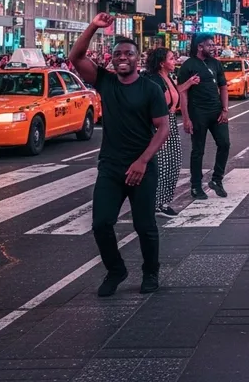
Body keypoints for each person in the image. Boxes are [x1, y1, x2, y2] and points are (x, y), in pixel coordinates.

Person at [69, 15, 169, 297]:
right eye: (117, 54)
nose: (122, 58)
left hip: (143, 167)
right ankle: (116, 270)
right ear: (111, 59)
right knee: (101, 224)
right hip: (111, 167)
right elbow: (75, 57)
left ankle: (151, 272)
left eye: (128, 54)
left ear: (138, 59)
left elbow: (162, 129)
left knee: (145, 226)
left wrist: (143, 161)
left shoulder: (150, 88)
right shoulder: (106, 81)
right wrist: (93, 26)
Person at [143, 48, 200, 217]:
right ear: (162, 63)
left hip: (170, 122)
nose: (175, 61)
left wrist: (189, 83)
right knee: (163, 164)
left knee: (172, 163)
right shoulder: (154, 80)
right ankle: (156, 203)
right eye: (171, 59)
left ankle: (161, 201)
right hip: (160, 124)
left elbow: (176, 92)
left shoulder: (166, 77)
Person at [177, 34, 230, 200]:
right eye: (210, 45)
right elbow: (182, 92)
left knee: (225, 144)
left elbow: (223, 87)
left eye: (213, 45)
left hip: (217, 112)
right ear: (200, 47)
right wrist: (186, 118)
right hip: (198, 113)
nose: (213, 48)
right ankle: (196, 186)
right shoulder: (188, 66)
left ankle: (217, 179)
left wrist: (225, 109)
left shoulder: (215, 63)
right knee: (198, 150)